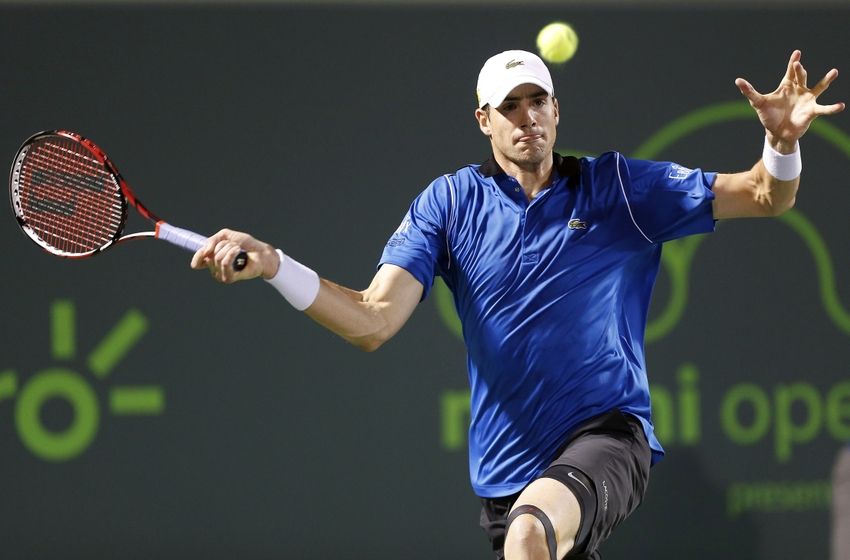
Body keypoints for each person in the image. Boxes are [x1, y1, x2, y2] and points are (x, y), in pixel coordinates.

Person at [191, 49, 844, 559]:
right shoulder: (449, 205)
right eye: (510, 106)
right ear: (484, 120)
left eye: (538, 101)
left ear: (557, 110)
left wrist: (781, 145)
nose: (527, 116)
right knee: (526, 531)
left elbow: (765, 195)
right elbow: (372, 321)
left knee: (531, 537)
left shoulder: (616, 187)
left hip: (607, 437)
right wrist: (276, 266)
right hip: (505, 475)